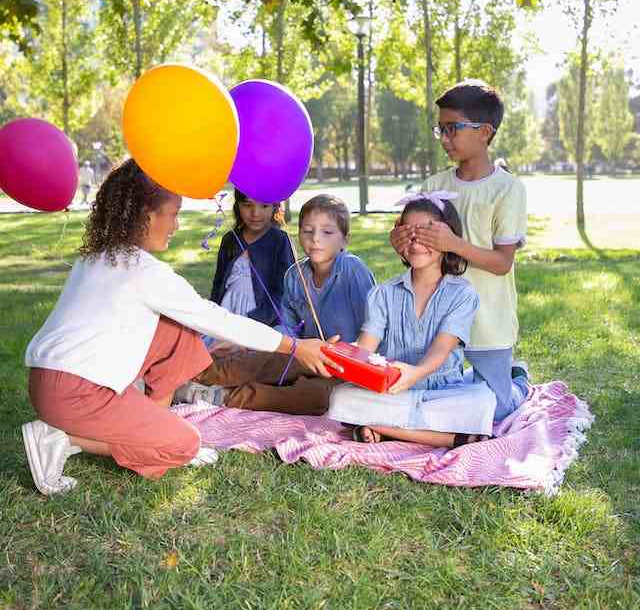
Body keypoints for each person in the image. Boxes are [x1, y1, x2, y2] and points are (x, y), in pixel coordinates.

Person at [21, 159, 335, 496]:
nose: (176, 224)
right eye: (172, 214)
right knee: (184, 444)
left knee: (178, 330)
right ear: (146, 216)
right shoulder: (144, 272)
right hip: (75, 395)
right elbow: (216, 318)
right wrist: (295, 346)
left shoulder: (97, 258)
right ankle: (63, 439)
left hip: (46, 382)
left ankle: (153, 424)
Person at [391, 79, 529, 422]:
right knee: (434, 397)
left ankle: (518, 382)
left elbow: (501, 263)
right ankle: (473, 384)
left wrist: (453, 244)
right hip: (437, 319)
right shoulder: (434, 186)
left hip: (488, 322)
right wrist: (401, 242)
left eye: (452, 128)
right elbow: (414, 248)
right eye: (441, 129)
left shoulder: (507, 189)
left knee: (494, 412)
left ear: (484, 132)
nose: (445, 138)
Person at [181, 194, 375, 416]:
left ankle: (221, 396)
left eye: (327, 232)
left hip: (345, 366)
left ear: (345, 239)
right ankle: (193, 375)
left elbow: (371, 330)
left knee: (320, 398)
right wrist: (249, 343)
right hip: (306, 354)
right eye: (308, 231)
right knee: (263, 360)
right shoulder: (295, 275)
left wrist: (342, 357)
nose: (316, 239)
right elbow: (287, 327)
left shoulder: (352, 270)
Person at [328, 194, 496, 446]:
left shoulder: (462, 293)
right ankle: (452, 439)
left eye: (427, 234)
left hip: (443, 392)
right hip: (392, 391)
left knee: (483, 401)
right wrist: (341, 358)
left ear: (446, 237)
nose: (417, 243)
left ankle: (382, 429)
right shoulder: (382, 294)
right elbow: (365, 348)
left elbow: (441, 348)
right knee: (340, 397)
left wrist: (416, 373)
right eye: (409, 234)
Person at [208, 189, 293, 350]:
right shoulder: (230, 240)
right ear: (237, 206)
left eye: (264, 206)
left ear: (275, 207)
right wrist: (212, 318)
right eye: (247, 205)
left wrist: (253, 325)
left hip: (261, 321)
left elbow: (282, 293)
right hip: (226, 315)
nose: (255, 213)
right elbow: (218, 283)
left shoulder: (280, 241)